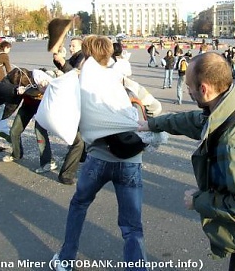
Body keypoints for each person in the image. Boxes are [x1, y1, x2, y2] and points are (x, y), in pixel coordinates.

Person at [138, 52, 235, 271]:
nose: (188, 91)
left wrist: (199, 201)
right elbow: (194, 121)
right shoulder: (231, 104)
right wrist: (154, 124)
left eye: (189, 86)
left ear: (204, 89)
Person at [51, 35, 160, 271]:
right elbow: (155, 107)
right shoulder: (123, 79)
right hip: (130, 161)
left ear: (87, 54)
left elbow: (62, 107)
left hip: (98, 157)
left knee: (79, 205)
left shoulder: (82, 81)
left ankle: (66, 259)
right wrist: (132, 122)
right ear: (110, 52)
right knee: (132, 227)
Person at [2, 68, 58, 174]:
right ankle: (16, 154)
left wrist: (38, 88)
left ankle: (48, 162)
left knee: (40, 133)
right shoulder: (14, 79)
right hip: (27, 106)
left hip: (42, 107)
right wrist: (17, 90)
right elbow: (5, 87)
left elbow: (52, 88)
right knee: (14, 131)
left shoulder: (41, 78)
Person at [53, 37, 85, 185]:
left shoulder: (83, 56)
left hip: (77, 100)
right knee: (79, 140)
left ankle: (66, 173)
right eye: (70, 45)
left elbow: (74, 73)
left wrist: (62, 62)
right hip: (74, 101)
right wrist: (58, 59)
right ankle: (71, 168)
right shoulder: (76, 56)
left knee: (79, 140)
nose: (71, 48)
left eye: (73, 45)